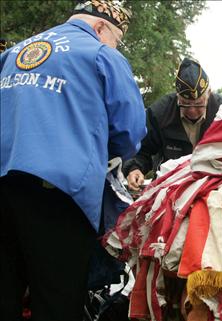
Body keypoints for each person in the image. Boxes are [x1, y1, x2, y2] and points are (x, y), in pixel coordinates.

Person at [0, 1, 146, 320]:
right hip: (58, 196)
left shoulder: (14, 52)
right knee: (57, 301)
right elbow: (130, 129)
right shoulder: (100, 54)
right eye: (117, 39)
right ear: (99, 28)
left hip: (4, 186)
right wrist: (107, 154)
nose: (115, 46)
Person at [125, 57, 222, 191]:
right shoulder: (160, 113)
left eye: (199, 104)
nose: (192, 111)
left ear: (209, 93)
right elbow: (141, 149)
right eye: (185, 104)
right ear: (177, 96)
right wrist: (135, 168)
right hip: (170, 185)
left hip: (213, 183)